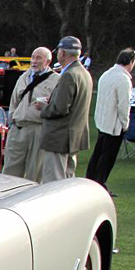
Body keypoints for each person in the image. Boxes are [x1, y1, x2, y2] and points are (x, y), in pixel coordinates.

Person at [40, 36, 92, 183]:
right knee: (68, 181)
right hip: (73, 136)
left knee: (53, 182)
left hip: (59, 137)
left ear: (62, 53)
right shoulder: (84, 73)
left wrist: (44, 108)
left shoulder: (69, 75)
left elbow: (60, 108)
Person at [2, 46, 58, 183]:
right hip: (18, 127)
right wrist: (12, 120)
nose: (34, 61)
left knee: (35, 170)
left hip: (38, 128)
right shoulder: (24, 77)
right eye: (33, 57)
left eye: (39, 58)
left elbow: (58, 106)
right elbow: (13, 101)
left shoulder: (56, 80)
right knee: (11, 168)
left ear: (47, 62)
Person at [85, 48, 135, 193]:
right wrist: (125, 123)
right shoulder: (123, 79)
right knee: (107, 157)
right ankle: (100, 184)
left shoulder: (107, 74)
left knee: (98, 153)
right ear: (130, 62)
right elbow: (124, 105)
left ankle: (91, 179)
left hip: (102, 121)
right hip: (114, 125)